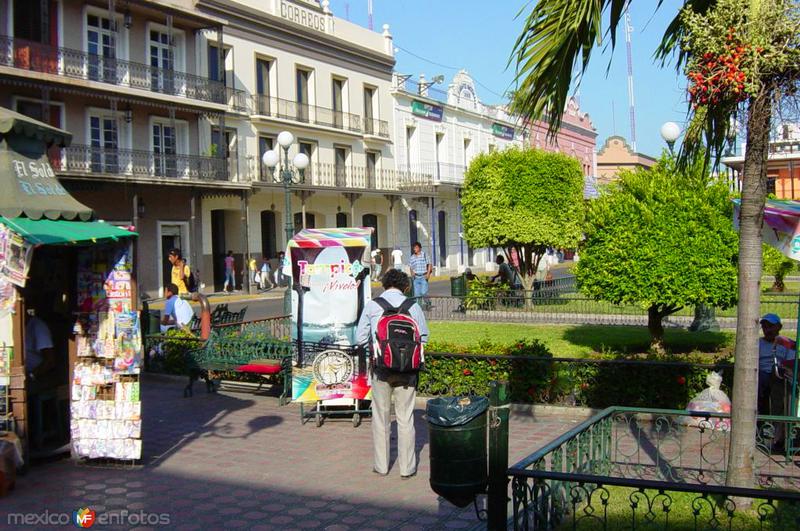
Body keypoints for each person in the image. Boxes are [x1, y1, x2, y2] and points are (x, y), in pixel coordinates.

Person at [356, 269, 429, 478]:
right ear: (405, 286)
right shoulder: (413, 306)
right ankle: (407, 469)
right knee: (405, 418)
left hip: (380, 370)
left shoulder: (373, 305)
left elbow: (360, 338)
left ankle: (381, 466)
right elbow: (423, 338)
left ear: (384, 284)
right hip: (408, 371)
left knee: (381, 417)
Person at [758, 313, 796, 452]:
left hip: (780, 377)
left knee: (783, 389)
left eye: (771, 326)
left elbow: (790, 365)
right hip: (761, 375)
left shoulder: (787, 344)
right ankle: (762, 427)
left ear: (779, 327)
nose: (768, 330)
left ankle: (780, 434)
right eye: (765, 326)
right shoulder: (757, 344)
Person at [408, 242, 431, 309]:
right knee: (417, 295)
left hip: (423, 276)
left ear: (420, 248)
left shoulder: (424, 255)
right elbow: (411, 266)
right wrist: (412, 273)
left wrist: (428, 274)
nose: (414, 249)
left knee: (423, 293)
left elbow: (429, 264)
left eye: (416, 247)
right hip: (416, 278)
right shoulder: (412, 257)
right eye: (414, 248)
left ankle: (428, 302)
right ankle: (419, 308)